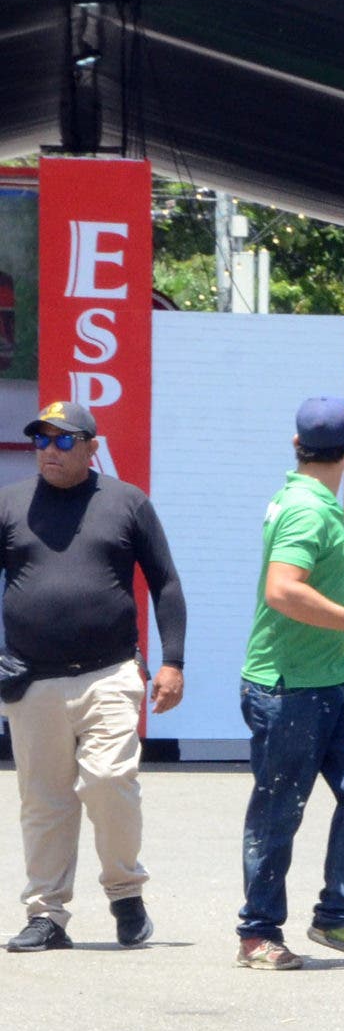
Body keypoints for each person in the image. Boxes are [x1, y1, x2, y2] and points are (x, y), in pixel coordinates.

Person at [1, 400, 188, 953]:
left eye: (63, 441)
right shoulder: (10, 504)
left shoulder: (126, 503)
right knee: (44, 801)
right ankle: (47, 915)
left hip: (109, 673)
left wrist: (174, 660)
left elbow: (166, 584)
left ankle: (125, 893)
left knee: (108, 782)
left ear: (91, 446)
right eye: (41, 440)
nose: (49, 451)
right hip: (31, 680)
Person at [237, 396, 344, 972]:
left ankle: (338, 915)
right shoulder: (307, 509)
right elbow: (282, 590)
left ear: (296, 444)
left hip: (336, 677)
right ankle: (258, 932)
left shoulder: (306, 497)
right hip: (289, 686)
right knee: (279, 810)